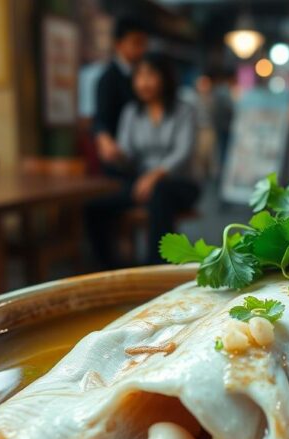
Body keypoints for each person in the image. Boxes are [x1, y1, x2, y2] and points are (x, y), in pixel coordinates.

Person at [86, 53, 199, 267]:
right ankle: (109, 267)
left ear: (165, 77)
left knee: (160, 193)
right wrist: (114, 153)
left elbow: (182, 153)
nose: (143, 82)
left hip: (180, 183)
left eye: (150, 75)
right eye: (139, 76)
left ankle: (156, 266)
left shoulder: (184, 109)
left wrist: (153, 176)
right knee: (94, 206)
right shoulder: (131, 112)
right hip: (143, 185)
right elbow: (128, 157)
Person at [93, 16, 148, 172]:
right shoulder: (108, 78)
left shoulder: (142, 73)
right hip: (119, 156)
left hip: (143, 155)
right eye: (136, 43)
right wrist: (104, 141)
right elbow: (101, 118)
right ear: (118, 44)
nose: (142, 49)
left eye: (144, 43)